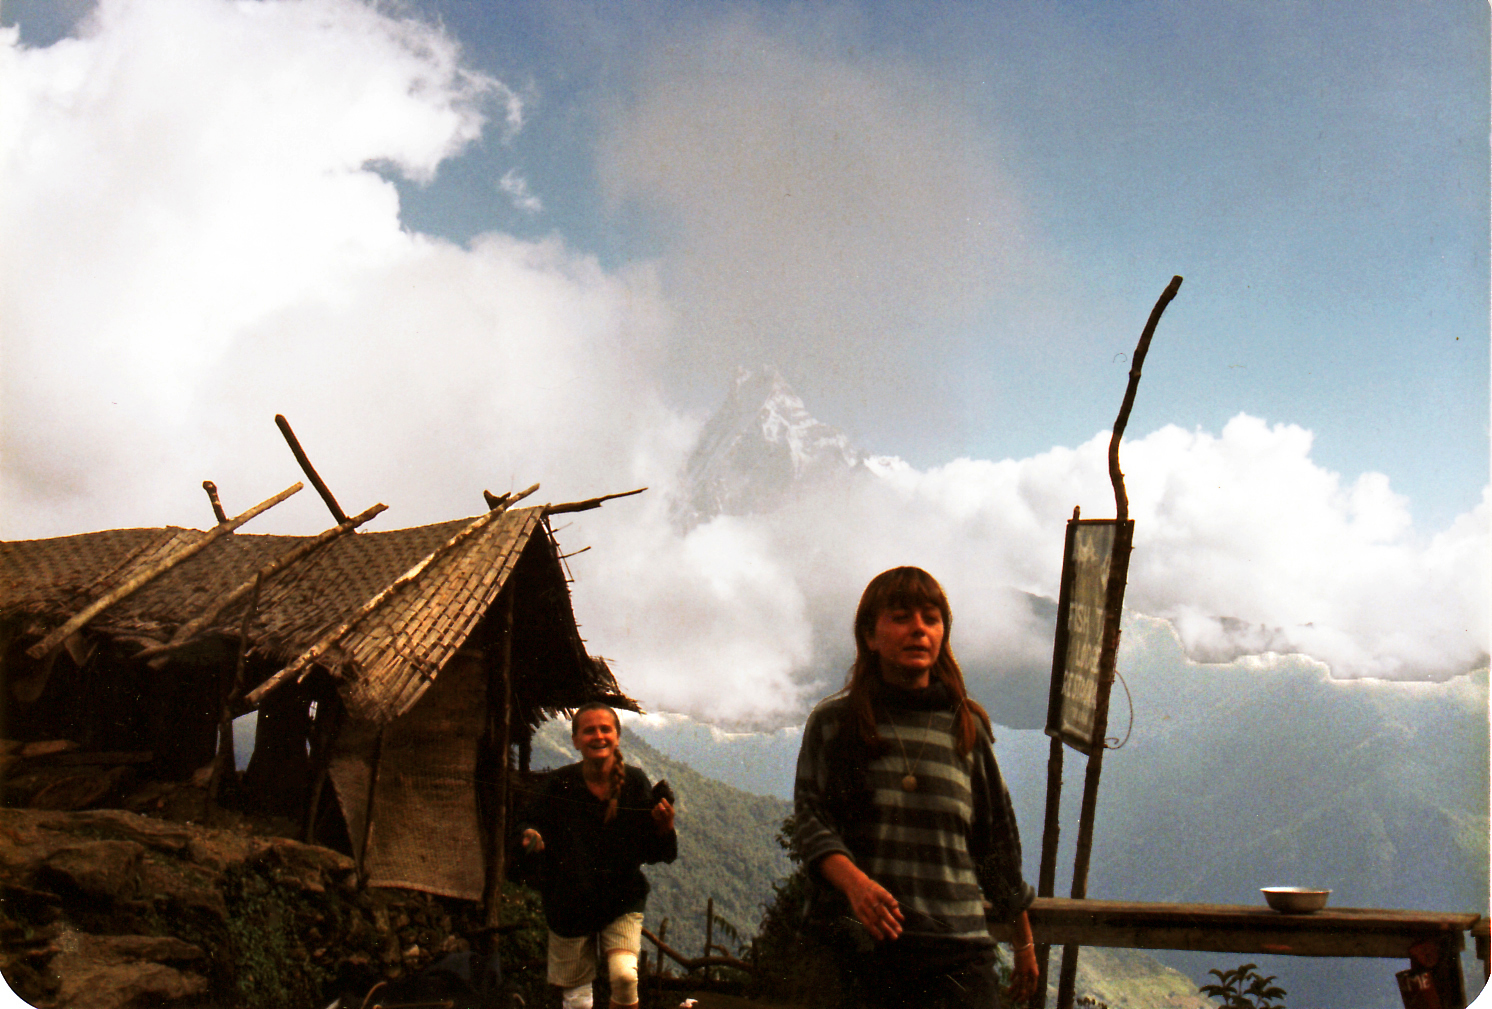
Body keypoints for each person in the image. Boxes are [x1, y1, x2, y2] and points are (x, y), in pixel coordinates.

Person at [793, 566, 1039, 1009]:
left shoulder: (967, 728)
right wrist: (856, 886)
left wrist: (1023, 945)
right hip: (861, 954)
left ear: (944, 633)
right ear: (870, 636)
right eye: (901, 617)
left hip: (958, 957)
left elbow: (997, 841)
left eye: (931, 618)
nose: (918, 630)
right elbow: (812, 821)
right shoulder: (835, 724)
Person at [518, 703, 677, 1009]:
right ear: (576, 740)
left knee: (625, 978)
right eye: (589, 730)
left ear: (617, 737)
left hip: (620, 900)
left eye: (605, 729)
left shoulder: (634, 782)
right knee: (577, 1000)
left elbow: (656, 853)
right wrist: (530, 836)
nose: (598, 736)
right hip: (569, 902)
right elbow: (526, 822)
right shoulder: (559, 784)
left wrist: (664, 828)